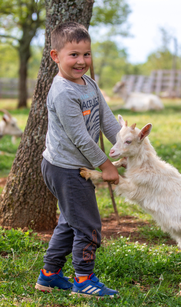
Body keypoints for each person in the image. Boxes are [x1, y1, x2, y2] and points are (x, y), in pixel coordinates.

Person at [34, 21, 120, 297]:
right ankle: (83, 281)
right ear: (55, 56)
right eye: (73, 54)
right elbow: (81, 139)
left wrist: (127, 147)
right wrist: (106, 165)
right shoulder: (62, 92)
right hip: (66, 169)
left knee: (70, 222)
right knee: (88, 225)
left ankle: (49, 276)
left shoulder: (88, 83)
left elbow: (107, 120)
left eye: (86, 54)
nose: (81, 61)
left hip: (72, 165)